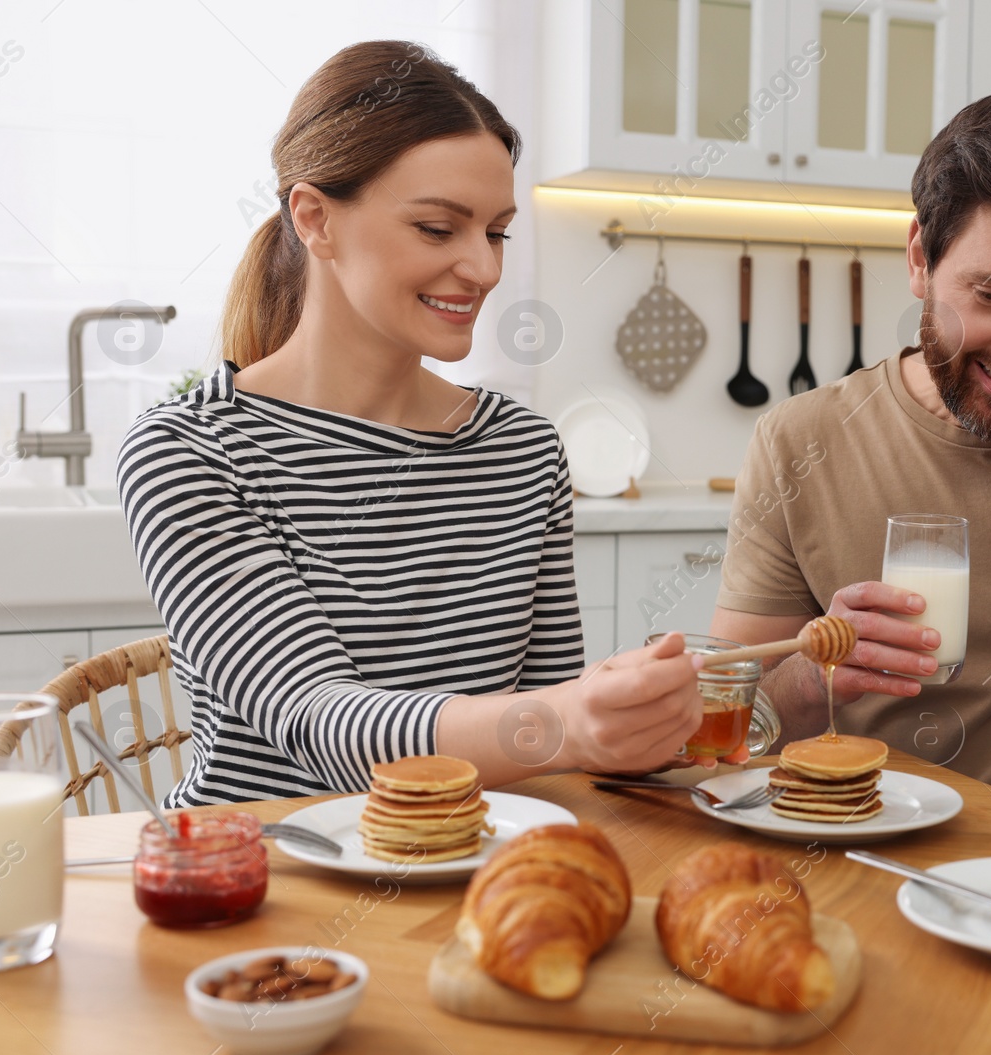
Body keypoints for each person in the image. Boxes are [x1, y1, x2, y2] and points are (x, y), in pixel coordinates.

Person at [117, 41, 703, 805]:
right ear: (315, 218)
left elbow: (544, 738)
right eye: (437, 228)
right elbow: (319, 723)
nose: (486, 269)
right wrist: (568, 720)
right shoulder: (190, 450)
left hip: (467, 870)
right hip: (255, 891)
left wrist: (629, 723)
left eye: (496, 232)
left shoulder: (523, 450)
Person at [711, 90, 991, 799]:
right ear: (920, 258)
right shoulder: (802, 441)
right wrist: (813, 668)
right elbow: (728, 730)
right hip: (860, 842)